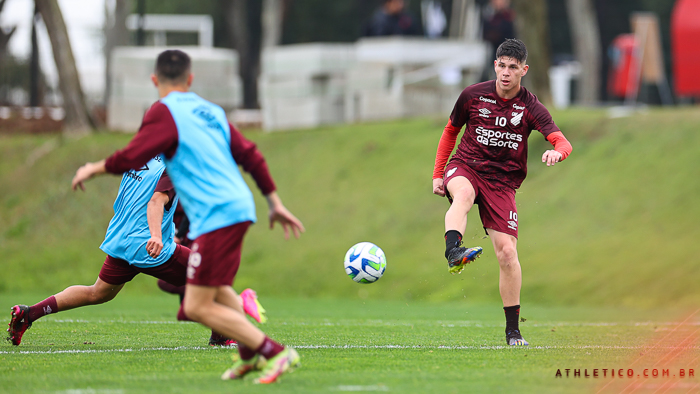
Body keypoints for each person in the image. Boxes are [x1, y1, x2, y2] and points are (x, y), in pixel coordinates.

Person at [70, 49, 305, 384]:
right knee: (209, 295)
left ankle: (275, 352)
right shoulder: (211, 111)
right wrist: (274, 202)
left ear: (154, 80)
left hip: (217, 215)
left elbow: (133, 154)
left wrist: (92, 168)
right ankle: (250, 356)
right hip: (233, 208)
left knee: (195, 306)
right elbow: (250, 154)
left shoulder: (163, 111)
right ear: (190, 79)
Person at [6, 155, 245, 347]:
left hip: (122, 241)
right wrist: (155, 234)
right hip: (148, 246)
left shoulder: (141, 157)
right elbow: (156, 201)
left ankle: (29, 314)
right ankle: (221, 336)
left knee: (98, 293)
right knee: (210, 273)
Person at [432, 39, 572, 346]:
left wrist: (556, 154)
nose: (506, 73)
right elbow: (450, 132)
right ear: (495, 65)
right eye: (501, 66)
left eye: (513, 67)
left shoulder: (531, 107)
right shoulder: (472, 95)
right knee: (464, 196)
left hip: (502, 183)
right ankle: (453, 251)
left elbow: (562, 143)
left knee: (508, 255)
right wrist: (438, 173)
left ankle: (513, 332)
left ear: (524, 70)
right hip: (466, 165)